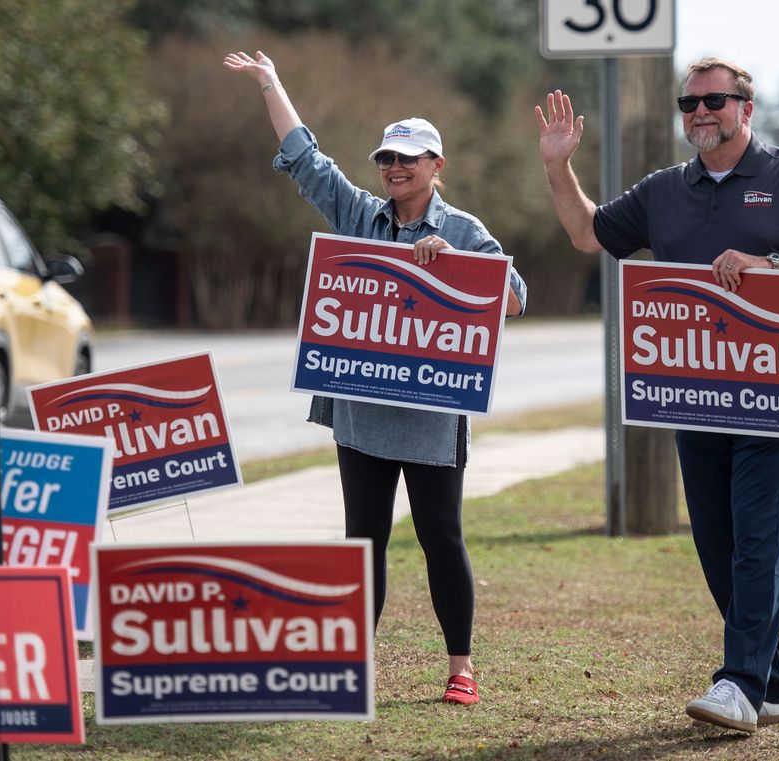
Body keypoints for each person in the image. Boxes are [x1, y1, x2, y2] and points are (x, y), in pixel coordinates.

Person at [535, 58, 779, 732]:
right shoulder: (666, 189)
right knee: (718, 541)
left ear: (747, 107)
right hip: (696, 395)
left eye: (715, 100)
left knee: (757, 538)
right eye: (688, 104)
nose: (699, 113)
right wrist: (557, 166)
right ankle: (769, 683)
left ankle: (738, 683)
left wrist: (771, 264)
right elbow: (586, 232)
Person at [224, 49, 527, 705]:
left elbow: (514, 298)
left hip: (431, 419)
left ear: (435, 167)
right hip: (359, 415)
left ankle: (460, 667)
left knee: (440, 535)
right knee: (363, 537)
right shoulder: (361, 216)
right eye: (386, 159)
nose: (392, 169)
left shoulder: (465, 230)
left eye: (406, 160)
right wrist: (272, 82)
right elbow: (308, 162)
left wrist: (451, 265)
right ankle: (353, 665)